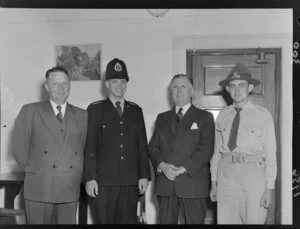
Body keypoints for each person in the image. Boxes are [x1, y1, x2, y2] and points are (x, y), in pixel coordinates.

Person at [12, 66, 88, 224]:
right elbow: (19, 149)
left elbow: (84, 150)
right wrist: (36, 171)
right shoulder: (30, 111)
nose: (61, 88)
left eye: (65, 84)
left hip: (69, 185)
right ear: (46, 86)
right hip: (40, 186)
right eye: (55, 84)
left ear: (70, 85)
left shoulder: (82, 115)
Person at [83, 58, 151, 224]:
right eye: (114, 81)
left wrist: (144, 175)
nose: (119, 85)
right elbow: (90, 146)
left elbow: (142, 145)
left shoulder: (135, 110)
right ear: (107, 84)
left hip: (130, 181)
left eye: (122, 81)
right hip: (103, 182)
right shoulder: (95, 109)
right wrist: (90, 178)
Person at [210, 63, 277, 224]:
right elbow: (216, 152)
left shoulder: (263, 115)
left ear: (250, 87)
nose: (237, 90)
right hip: (226, 176)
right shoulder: (223, 115)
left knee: (254, 220)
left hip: (253, 175)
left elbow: (270, 153)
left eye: (241, 85)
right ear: (227, 90)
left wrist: (269, 188)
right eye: (232, 86)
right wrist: (213, 182)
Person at [148, 74, 215, 224]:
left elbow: (206, 149)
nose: (179, 91)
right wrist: (163, 166)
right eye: (175, 87)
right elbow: (153, 148)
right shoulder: (162, 118)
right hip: (166, 185)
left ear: (191, 91)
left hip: (193, 185)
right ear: (170, 92)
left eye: (183, 86)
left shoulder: (205, 117)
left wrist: (183, 168)